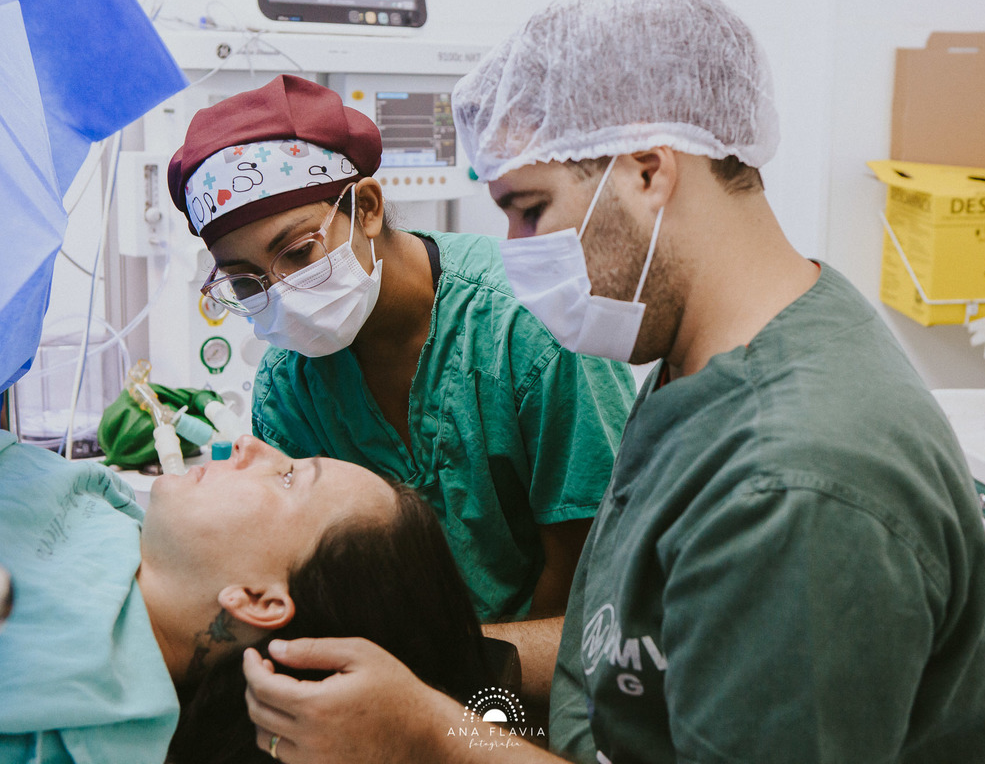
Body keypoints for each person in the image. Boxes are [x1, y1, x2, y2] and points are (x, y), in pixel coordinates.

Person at [240, 0, 985, 764]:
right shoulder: (694, 367)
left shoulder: (793, 481)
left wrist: (426, 734)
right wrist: (445, 693)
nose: (512, 250)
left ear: (648, 171)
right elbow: (612, 680)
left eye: (530, 209)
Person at [166, 78, 635, 657]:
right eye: (245, 279)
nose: (282, 294)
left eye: (300, 252)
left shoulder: (530, 328)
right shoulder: (289, 386)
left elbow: (590, 591)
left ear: (365, 209)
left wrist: (468, 704)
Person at [0, 425, 493, 764]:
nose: (249, 445)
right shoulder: (101, 498)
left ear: (257, 599)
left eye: (288, 477)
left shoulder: (83, 726)